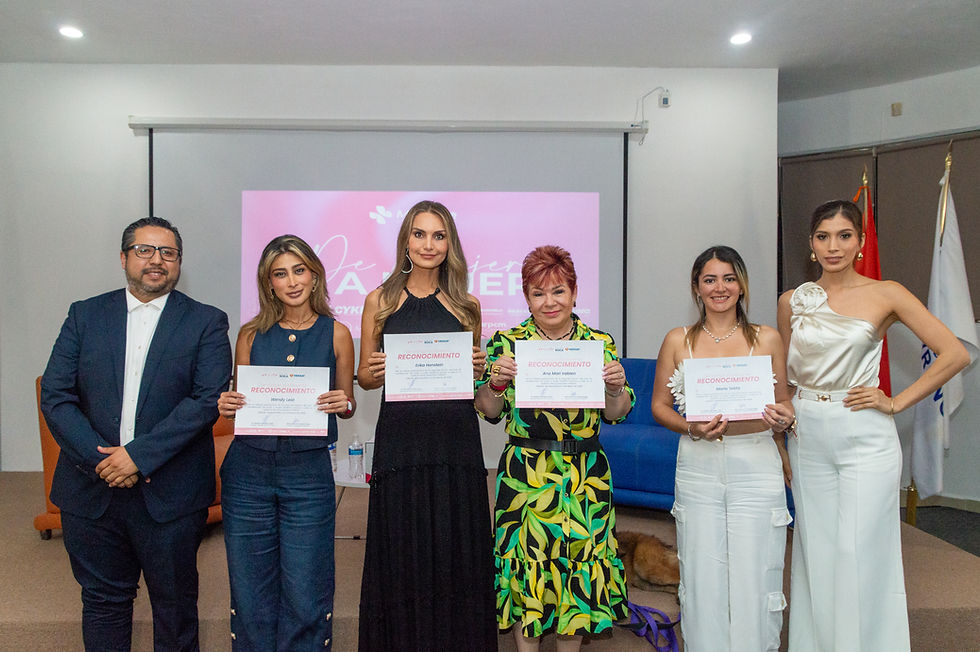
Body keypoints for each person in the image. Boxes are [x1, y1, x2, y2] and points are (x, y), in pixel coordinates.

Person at [778, 199, 969, 652]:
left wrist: (897, 400)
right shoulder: (793, 300)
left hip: (865, 435)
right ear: (810, 245)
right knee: (817, 555)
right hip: (806, 435)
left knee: (858, 553)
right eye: (823, 236)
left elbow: (955, 353)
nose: (834, 246)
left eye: (844, 235)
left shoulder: (888, 293)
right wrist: (780, 441)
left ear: (861, 242)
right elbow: (781, 380)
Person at [40, 217, 232, 651]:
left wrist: (137, 457)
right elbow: (55, 395)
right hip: (91, 490)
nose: (156, 261)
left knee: (175, 607)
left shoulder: (206, 321)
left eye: (168, 253)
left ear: (179, 263)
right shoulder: (84, 314)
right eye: (145, 250)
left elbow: (206, 401)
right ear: (124, 257)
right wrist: (104, 461)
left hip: (171, 494)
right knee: (104, 602)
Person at [473, 244, 634, 652]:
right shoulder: (508, 343)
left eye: (559, 291)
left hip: (586, 477)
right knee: (526, 574)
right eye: (538, 293)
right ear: (526, 296)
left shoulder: (598, 343)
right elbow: (486, 410)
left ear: (575, 292)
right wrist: (495, 383)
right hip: (526, 475)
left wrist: (614, 387)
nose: (550, 302)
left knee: (577, 574)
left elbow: (618, 411)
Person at [356, 200, 497, 651]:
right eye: (420, 234)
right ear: (405, 241)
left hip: (455, 443)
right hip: (401, 442)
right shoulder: (378, 300)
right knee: (403, 550)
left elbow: (471, 386)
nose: (429, 244)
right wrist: (373, 372)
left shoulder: (468, 306)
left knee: (455, 549)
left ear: (450, 244)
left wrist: (479, 367)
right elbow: (363, 376)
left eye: (439, 236)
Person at [650, 245, 795, 651]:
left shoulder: (766, 337)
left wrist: (785, 420)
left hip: (755, 460)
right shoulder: (678, 340)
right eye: (710, 279)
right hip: (698, 463)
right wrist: (691, 428)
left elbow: (784, 402)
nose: (720, 288)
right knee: (702, 571)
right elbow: (659, 407)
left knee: (756, 569)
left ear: (742, 285)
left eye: (729, 278)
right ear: (696, 287)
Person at [216, 235, 355, 650]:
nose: (292, 281)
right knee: (250, 588)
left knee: (306, 588)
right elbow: (239, 402)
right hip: (247, 473)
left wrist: (341, 402)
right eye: (281, 274)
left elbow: (347, 404)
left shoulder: (338, 333)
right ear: (268, 283)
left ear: (315, 276)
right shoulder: (249, 335)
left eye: (299, 270)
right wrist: (227, 403)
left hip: (308, 474)